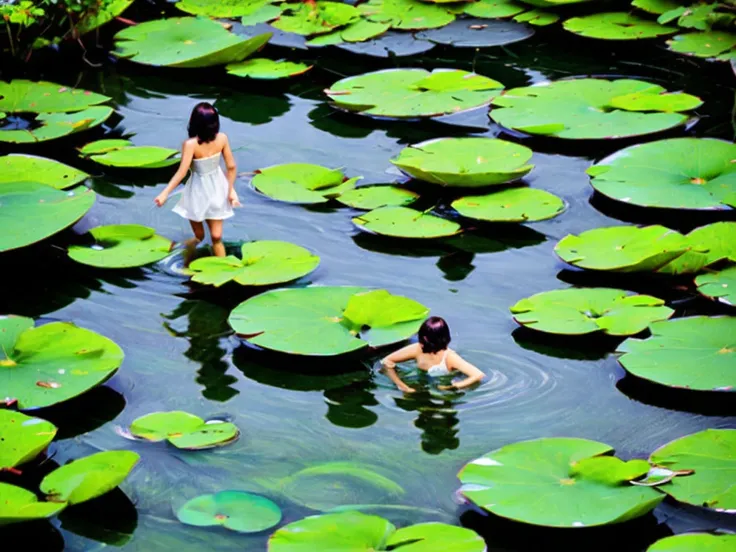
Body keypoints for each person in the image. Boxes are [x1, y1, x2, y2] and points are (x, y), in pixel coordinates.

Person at [154, 102, 240, 257]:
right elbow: (231, 167)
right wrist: (230, 189)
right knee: (211, 237)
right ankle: (184, 254)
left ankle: (215, 268)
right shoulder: (209, 141)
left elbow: (181, 173)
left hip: (208, 190)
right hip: (206, 190)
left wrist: (230, 191)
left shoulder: (199, 143)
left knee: (209, 237)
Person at [381, 316, 485, 393]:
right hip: (421, 382)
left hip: (444, 385)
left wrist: (453, 387)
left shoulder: (450, 357)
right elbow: (387, 361)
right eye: (421, 339)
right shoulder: (417, 349)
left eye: (424, 341)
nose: (421, 343)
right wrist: (401, 385)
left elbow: (478, 375)